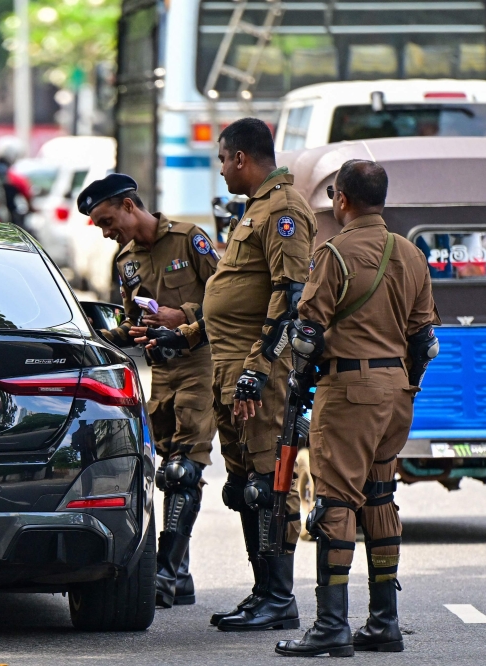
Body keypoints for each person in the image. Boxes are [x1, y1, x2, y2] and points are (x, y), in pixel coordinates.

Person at [144, 118, 317, 631]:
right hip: (228, 370)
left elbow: (291, 299)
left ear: (241, 157)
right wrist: (189, 335)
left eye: (222, 159)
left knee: (268, 485)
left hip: (255, 377)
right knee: (243, 487)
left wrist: (258, 371)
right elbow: (231, 300)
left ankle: (280, 599)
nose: (220, 170)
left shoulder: (283, 211)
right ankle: (262, 592)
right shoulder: (255, 211)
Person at [275, 159, 439, 657]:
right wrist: (403, 385)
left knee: (335, 502)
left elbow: (307, 333)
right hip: (397, 392)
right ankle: (384, 622)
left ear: (341, 199)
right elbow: (424, 339)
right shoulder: (411, 254)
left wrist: (296, 387)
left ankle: (330, 626)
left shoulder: (336, 253)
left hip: (350, 388)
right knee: (381, 496)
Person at [77, 173, 218, 609]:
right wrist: (103, 337)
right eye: (99, 226)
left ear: (129, 205)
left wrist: (184, 316)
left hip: (199, 365)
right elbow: (129, 320)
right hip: (161, 374)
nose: (105, 232)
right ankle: (184, 574)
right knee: (165, 472)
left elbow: (229, 300)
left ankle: (165, 574)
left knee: (184, 471)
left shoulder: (190, 240)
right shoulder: (125, 261)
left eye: (107, 220)